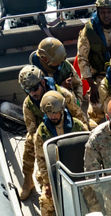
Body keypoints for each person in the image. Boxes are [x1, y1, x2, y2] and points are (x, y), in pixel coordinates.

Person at [17, 65, 84, 200]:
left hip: (67, 125)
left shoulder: (63, 95)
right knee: (30, 142)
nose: (32, 93)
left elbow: (78, 114)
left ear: (42, 82)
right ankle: (28, 180)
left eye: (35, 88)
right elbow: (32, 129)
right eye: (27, 90)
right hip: (45, 131)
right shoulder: (28, 105)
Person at [33, 90, 89, 216]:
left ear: (62, 110)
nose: (53, 117)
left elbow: (89, 150)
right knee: (45, 200)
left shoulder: (78, 126)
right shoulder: (42, 132)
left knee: (92, 196)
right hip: (55, 174)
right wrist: (47, 182)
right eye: (49, 114)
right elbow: (41, 159)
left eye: (55, 113)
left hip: (77, 170)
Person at [29, 37, 84, 109]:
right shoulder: (33, 75)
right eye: (57, 63)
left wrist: (77, 104)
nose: (60, 65)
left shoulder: (64, 65)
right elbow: (36, 98)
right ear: (45, 59)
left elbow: (78, 84)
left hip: (67, 102)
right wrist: (60, 88)